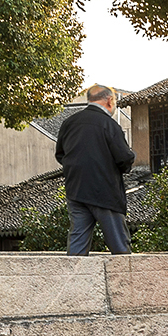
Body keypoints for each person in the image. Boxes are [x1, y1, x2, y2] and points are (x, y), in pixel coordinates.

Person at [54, 85, 135, 255]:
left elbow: (60, 155)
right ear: (109, 100)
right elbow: (124, 158)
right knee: (119, 245)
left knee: (77, 241)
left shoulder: (69, 123)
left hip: (76, 189)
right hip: (105, 191)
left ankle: (74, 272)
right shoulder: (109, 125)